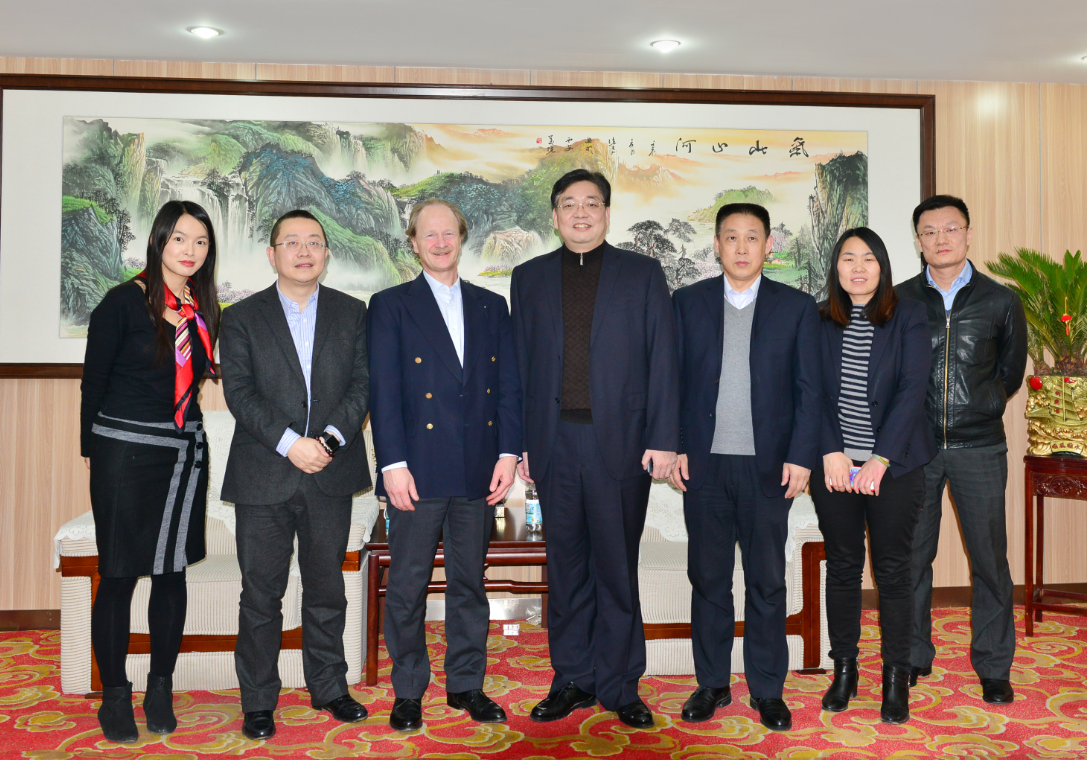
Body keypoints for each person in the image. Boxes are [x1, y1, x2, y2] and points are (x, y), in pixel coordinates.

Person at [511, 169, 680, 729]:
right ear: (554, 215)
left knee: (616, 569)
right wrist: (522, 444)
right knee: (565, 570)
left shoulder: (642, 273)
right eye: (569, 204)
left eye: (591, 203)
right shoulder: (528, 278)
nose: (580, 213)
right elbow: (520, 368)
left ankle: (621, 684)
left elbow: (663, 359)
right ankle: (572, 678)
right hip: (553, 443)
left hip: (622, 445)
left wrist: (663, 439)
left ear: (607, 213)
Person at [368, 198, 522, 731]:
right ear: (413, 243)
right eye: (428, 234)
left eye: (448, 233)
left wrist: (507, 454)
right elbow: (384, 392)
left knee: (469, 583)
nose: (439, 242)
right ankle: (409, 689)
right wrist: (392, 464)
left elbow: (508, 388)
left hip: (478, 468)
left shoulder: (491, 305)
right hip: (416, 470)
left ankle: (466, 685)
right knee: (407, 586)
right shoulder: (390, 305)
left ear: (461, 237)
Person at [219, 209, 372, 740]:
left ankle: (329, 687)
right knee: (261, 594)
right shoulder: (242, 317)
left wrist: (326, 442)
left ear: (326, 253)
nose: (303, 251)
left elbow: (362, 385)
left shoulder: (353, 313)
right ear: (272, 254)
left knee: (327, 588)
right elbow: (239, 392)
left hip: (331, 470)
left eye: (314, 242)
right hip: (264, 472)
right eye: (291, 242)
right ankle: (259, 700)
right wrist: (291, 444)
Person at [670, 203, 820, 731]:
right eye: (730, 237)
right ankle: (712, 684)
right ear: (716, 245)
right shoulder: (687, 303)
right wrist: (674, 445)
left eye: (751, 237)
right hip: (704, 467)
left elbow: (810, 389)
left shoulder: (796, 307)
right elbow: (670, 382)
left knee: (767, 581)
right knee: (709, 579)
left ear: (768, 245)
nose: (740, 247)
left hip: (769, 467)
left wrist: (801, 455)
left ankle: (767, 689)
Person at [81, 200, 220, 743]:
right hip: (124, 450)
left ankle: (159, 688)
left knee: (171, 573)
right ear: (159, 241)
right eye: (179, 238)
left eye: (201, 242)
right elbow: (93, 382)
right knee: (117, 575)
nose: (190, 250)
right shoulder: (122, 302)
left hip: (184, 450)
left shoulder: (204, 309)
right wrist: (93, 452)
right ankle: (114, 695)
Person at [896, 195, 1027, 704]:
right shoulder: (900, 299)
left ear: (968, 234)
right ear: (919, 242)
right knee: (911, 557)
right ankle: (912, 655)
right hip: (916, 448)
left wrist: (986, 403)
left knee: (990, 559)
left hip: (980, 446)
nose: (941, 239)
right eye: (930, 231)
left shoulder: (1000, 300)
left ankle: (993, 665)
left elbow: (1010, 371)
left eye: (951, 228)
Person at [811, 228, 935, 724]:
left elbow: (912, 389)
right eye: (848, 258)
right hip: (836, 467)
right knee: (842, 566)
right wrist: (831, 450)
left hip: (896, 466)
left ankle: (895, 677)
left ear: (882, 266)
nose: (858, 268)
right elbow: (809, 390)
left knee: (893, 571)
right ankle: (844, 670)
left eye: (868, 259)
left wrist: (880, 460)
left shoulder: (908, 314)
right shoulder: (819, 319)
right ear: (836, 267)